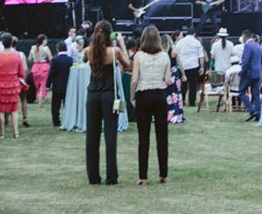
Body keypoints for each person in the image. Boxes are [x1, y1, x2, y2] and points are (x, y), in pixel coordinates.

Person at [83, 20, 131, 185]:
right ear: (110, 34)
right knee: (110, 136)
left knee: (92, 137)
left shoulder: (89, 50)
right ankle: (111, 176)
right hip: (109, 95)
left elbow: (84, 59)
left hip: (92, 95)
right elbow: (128, 65)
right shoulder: (114, 51)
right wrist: (122, 43)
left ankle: (93, 177)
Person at [130, 26, 171, 186]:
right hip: (160, 95)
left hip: (143, 95)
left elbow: (134, 80)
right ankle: (163, 174)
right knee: (162, 137)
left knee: (143, 138)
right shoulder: (165, 56)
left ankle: (143, 177)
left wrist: (132, 98)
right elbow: (167, 80)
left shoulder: (138, 56)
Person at [0, 32, 26, 139]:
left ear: (2, 43)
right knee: (14, 110)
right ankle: (16, 133)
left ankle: (2, 134)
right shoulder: (17, 56)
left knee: (0, 110)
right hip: (12, 85)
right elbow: (21, 73)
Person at [174, 28, 205, 108]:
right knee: (193, 85)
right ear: (194, 34)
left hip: (182, 66)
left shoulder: (180, 42)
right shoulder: (197, 42)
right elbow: (201, 56)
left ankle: (182, 101)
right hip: (193, 65)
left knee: (182, 85)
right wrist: (202, 67)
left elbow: (175, 53)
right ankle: (192, 102)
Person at [47, 41, 74, 127]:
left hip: (57, 86)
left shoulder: (55, 60)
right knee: (67, 105)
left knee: (55, 105)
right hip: (68, 85)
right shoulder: (70, 60)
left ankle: (56, 121)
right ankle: (68, 120)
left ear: (58, 49)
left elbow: (51, 73)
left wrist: (48, 84)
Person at [239, 30, 262, 122]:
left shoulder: (248, 46)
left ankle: (251, 110)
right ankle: (258, 113)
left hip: (249, 73)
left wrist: (242, 72)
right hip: (257, 73)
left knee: (241, 92)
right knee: (256, 94)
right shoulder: (258, 46)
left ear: (245, 36)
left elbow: (246, 61)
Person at [161, 34, 186, 124]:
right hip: (173, 74)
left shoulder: (160, 52)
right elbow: (179, 64)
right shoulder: (174, 52)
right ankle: (176, 114)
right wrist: (183, 74)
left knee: (165, 94)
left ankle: (165, 114)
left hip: (163, 74)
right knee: (176, 95)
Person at [28, 34, 52, 109]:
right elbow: (50, 58)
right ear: (43, 40)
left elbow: (29, 59)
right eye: (46, 40)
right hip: (44, 67)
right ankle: (40, 105)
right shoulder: (46, 48)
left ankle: (39, 101)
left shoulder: (33, 48)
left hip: (35, 68)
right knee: (43, 86)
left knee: (37, 86)